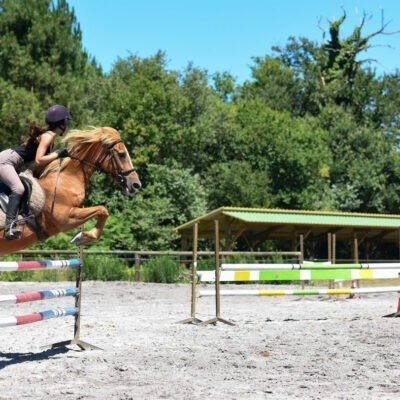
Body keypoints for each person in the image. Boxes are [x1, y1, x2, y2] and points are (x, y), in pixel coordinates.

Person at [0, 104, 72, 240]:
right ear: (62, 123)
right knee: (19, 188)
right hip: (5, 162)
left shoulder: (50, 139)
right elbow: (39, 160)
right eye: (66, 122)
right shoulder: (48, 136)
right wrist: (58, 154)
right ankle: (9, 227)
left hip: (10, 161)